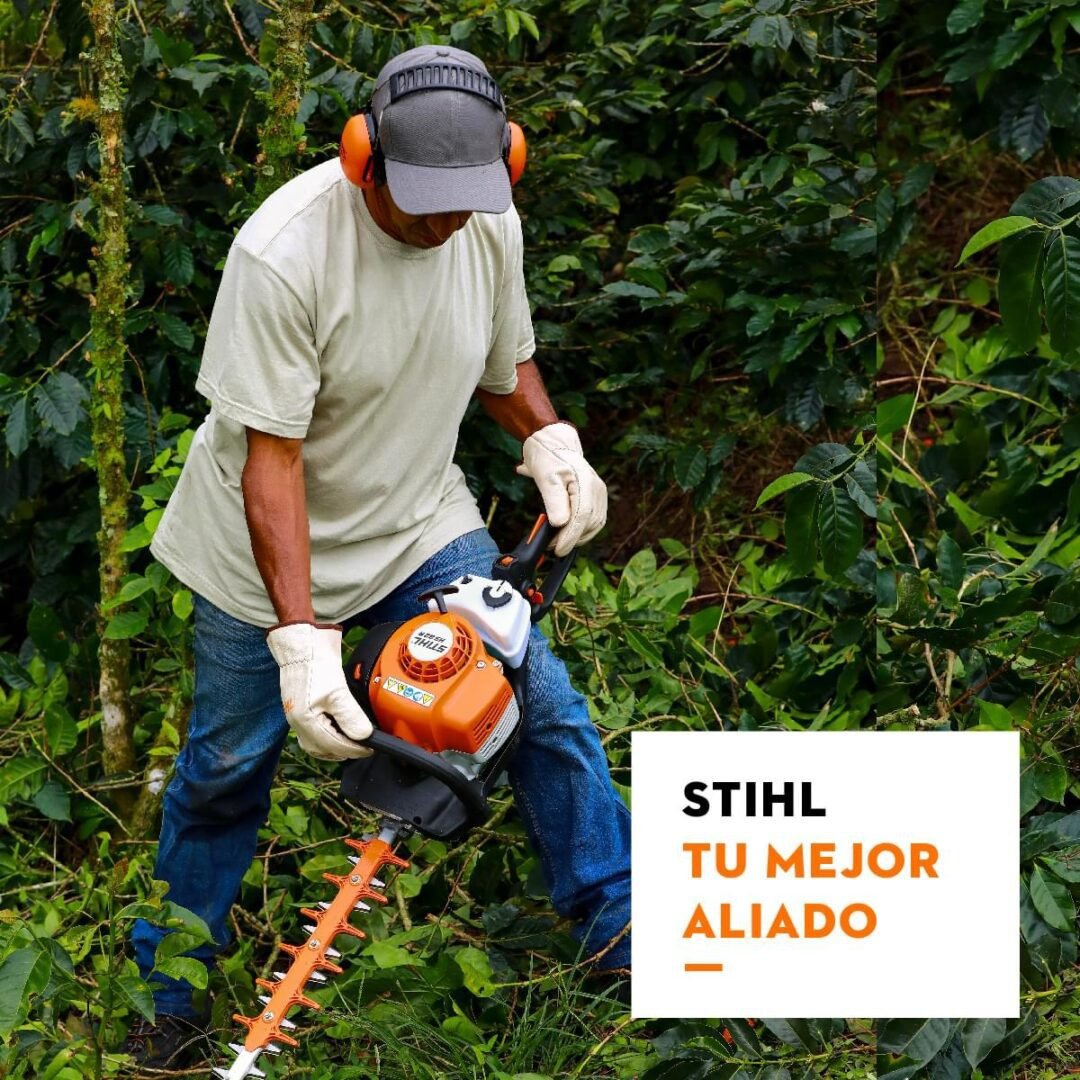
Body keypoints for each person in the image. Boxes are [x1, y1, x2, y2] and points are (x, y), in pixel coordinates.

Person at [124, 44, 631, 1068]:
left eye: (466, 201)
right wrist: (300, 637)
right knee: (224, 771)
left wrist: (549, 437)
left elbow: (503, 360)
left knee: (539, 708)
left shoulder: (487, 217)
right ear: (365, 161)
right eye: (424, 204)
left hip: (417, 522)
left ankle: (623, 935)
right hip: (259, 554)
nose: (447, 224)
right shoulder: (286, 254)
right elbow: (270, 461)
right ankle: (166, 999)